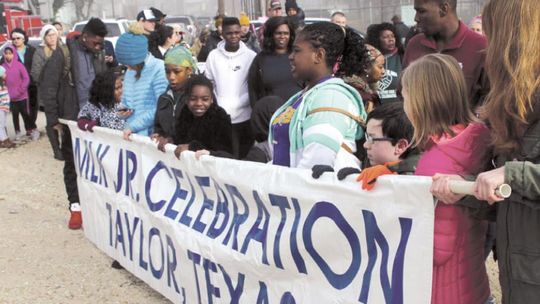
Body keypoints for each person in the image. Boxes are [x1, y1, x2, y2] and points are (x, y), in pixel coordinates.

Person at [432, 0, 540, 302]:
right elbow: (511, 196)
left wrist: (511, 173)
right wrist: (463, 190)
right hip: (519, 278)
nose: (486, 44)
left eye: (492, 33)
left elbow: (516, 178)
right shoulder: (512, 102)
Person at [399, 54, 491, 304]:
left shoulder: (435, 161)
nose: (403, 101)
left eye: (405, 94)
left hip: (444, 291)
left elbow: (437, 249)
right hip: (473, 282)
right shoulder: (478, 138)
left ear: (420, 100)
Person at [268, 22, 367, 169]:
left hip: (306, 190)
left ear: (319, 55)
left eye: (296, 51)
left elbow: (316, 162)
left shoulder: (332, 97)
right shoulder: (308, 94)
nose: (290, 56)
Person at [40, 18, 108, 230]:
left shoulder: (98, 54)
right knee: (72, 165)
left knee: (97, 166)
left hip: (95, 123)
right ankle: (76, 208)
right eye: (96, 42)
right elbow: (48, 88)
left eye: (101, 43)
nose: (99, 47)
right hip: (70, 121)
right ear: (85, 36)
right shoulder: (64, 54)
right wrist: (53, 121)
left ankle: (95, 207)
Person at [403, 0, 488, 109]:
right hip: (419, 126)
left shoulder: (481, 47)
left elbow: (489, 100)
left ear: (444, 9)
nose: (416, 18)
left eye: (421, 11)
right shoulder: (414, 45)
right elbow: (403, 92)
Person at [205, 17, 256, 159]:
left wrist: (242, 102)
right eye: (229, 33)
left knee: (243, 161)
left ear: (241, 33)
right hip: (221, 119)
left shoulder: (251, 56)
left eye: (237, 32)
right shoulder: (213, 56)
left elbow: (253, 85)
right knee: (224, 159)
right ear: (222, 34)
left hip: (245, 119)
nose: (234, 36)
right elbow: (209, 84)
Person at [115, 23, 168, 139]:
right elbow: (125, 101)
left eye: (129, 63)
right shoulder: (130, 71)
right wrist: (122, 111)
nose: (127, 67)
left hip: (150, 137)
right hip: (130, 135)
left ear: (138, 58)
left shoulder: (159, 69)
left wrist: (133, 126)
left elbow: (161, 108)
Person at [173, 74, 233, 159]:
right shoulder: (185, 112)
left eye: (205, 99)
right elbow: (178, 139)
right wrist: (169, 140)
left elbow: (228, 154)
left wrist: (192, 147)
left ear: (211, 99)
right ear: (186, 99)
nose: (199, 104)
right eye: (193, 99)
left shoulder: (220, 117)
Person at [248, 16, 301, 107]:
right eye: (278, 33)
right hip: (272, 114)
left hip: (297, 112)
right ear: (271, 34)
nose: (282, 36)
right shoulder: (260, 59)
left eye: (286, 33)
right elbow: (253, 91)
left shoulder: (299, 56)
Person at [152, 46, 196, 150]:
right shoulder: (163, 98)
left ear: (189, 70)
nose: (171, 77)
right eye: (167, 72)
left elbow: (206, 134)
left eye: (177, 71)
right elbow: (158, 126)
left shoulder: (199, 98)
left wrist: (175, 141)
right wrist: (159, 135)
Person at [32, 24, 63, 160]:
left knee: (64, 118)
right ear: (44, 37)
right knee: (52, 120)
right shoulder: (40, 52)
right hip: (48, 91)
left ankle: (65, 146)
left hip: (63, 91)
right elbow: (35, 73)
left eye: (54, 34)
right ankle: (56, 150)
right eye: (49, 35)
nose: (52, 38)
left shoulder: (63, 48)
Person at [10, 28, 38, 140]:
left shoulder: (31, 50)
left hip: (32, 84)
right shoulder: (10, 51)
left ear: (23, 38)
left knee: (33, 107)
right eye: (13, 39)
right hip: (18, 86)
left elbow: (37, 65)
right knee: (22, 109)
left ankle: (30, 127)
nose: (16, 40)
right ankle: (29, 129)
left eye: (18, 38)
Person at [366, 23, 404, 103]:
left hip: (398, 107)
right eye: (385, 37)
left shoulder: (402, 56)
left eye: (393, 36)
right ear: (377, 40)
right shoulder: (370, 58)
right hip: (376, 107)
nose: (391, 39)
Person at [343, 44, 385, 113]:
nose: (383, 71)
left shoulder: (367, 91)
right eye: (380, 67)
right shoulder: (357, 94)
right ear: (366, 67)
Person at [2, 46, 30, 141]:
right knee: (15, 116)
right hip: (11, 97)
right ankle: (17, 131)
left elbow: (26, 78)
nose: (8, 55)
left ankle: (29, 130)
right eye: (6, 53)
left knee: (25, 114)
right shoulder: (3, 68)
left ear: (14, 54)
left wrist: (21, 90)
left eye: (10, 53)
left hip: (22, 96)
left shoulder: (19, 65)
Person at [0, 66, 15, 148]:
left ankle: (2, 140)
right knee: (1, 125)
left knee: (3, 124)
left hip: (5, 107)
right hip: (1, 108)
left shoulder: (3, 84)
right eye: (4, 73)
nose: (5, 74)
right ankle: (5, 140)